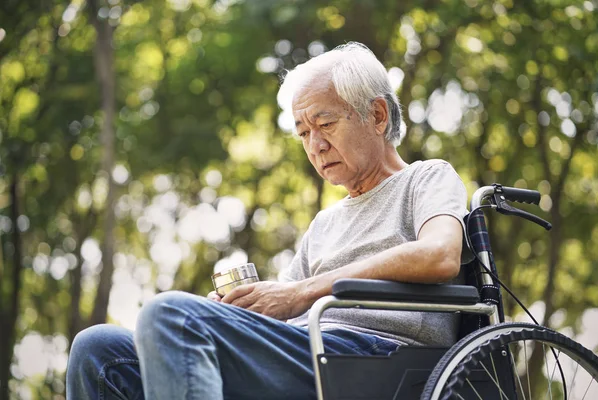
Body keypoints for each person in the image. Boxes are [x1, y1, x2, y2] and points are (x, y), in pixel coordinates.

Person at [66, 42, 467, 400]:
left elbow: (440, 254)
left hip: (380, 357)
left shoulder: (425, 177)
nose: (316, 145)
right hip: (308, 350)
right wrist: (235, 311)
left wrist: (300, 293)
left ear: (377, 115)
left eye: (325, 124)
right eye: (304, 133)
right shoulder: (325, 224)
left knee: (171, 315)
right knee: (98, 348)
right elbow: (285, 307)